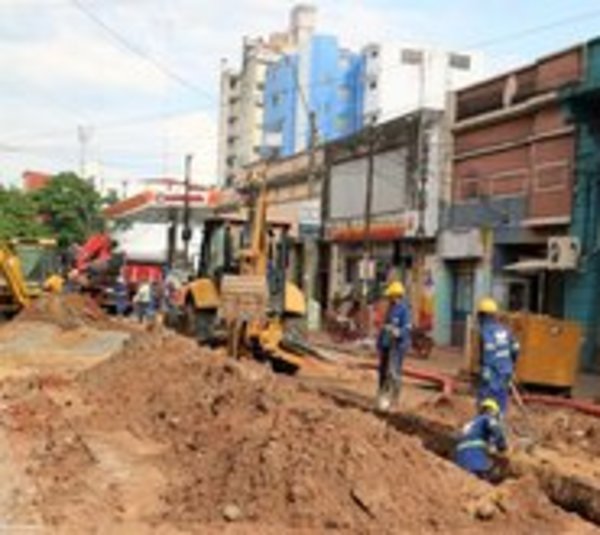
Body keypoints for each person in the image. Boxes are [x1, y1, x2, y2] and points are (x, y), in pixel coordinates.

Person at [477, 297, 520, 416]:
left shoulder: (485, 331)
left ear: (482, 315)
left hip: (492, 374)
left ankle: (485, 428)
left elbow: (488, 351)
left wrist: (485, 370)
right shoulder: (505, 330)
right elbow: (516, 347)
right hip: (506, 373)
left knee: (486, 404)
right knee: (501, 404)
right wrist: (511, 364)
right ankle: (499, 425)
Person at [375, 281, 411, 410]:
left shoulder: (404, 310)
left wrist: (398, 332)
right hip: (386, 344)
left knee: (394, 373)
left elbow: (406, 328)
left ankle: (394, 401)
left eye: (392, 296)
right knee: (383, 371)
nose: (390, 298)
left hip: (397, 346)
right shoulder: (390, 308)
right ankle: (381, 397)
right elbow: (384, 327)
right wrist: (379, 344)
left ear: (397, 295)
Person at [455, 398, 508, 480]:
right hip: (474, 456)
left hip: (460, 459)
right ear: (492, 411)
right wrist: (502, 446)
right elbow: (496, 431)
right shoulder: (488, 418)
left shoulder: (470, 423)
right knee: (483, 481)